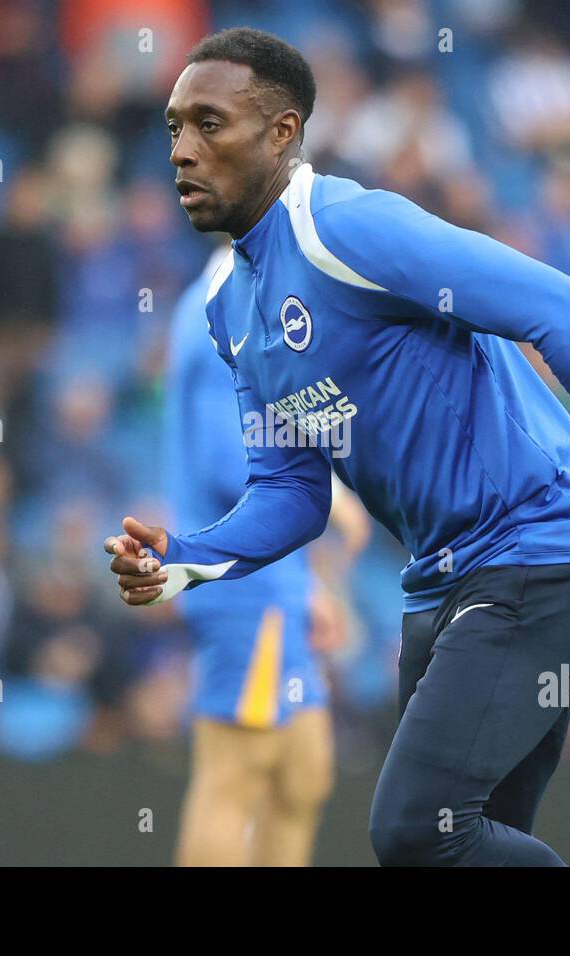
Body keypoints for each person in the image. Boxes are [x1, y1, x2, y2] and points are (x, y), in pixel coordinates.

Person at [104, 27, 570, 866]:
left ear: (282, 133)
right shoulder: (230, 310)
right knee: (473, 845)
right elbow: (290, 493)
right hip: (440, 577)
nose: (183, 152)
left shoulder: (348, 229)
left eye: (208, 125)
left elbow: (568, 309)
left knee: (420, 832)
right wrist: (186, 559)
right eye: (172, 129)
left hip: (541, 540)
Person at [164, 243, 366, 865]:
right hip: (242, 583)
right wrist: (331, 494)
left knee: (303, 775)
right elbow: (233, 461)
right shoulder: (214, 320)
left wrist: (309, 584)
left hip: (278, 581)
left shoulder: (236, 308)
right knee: (234, 775)